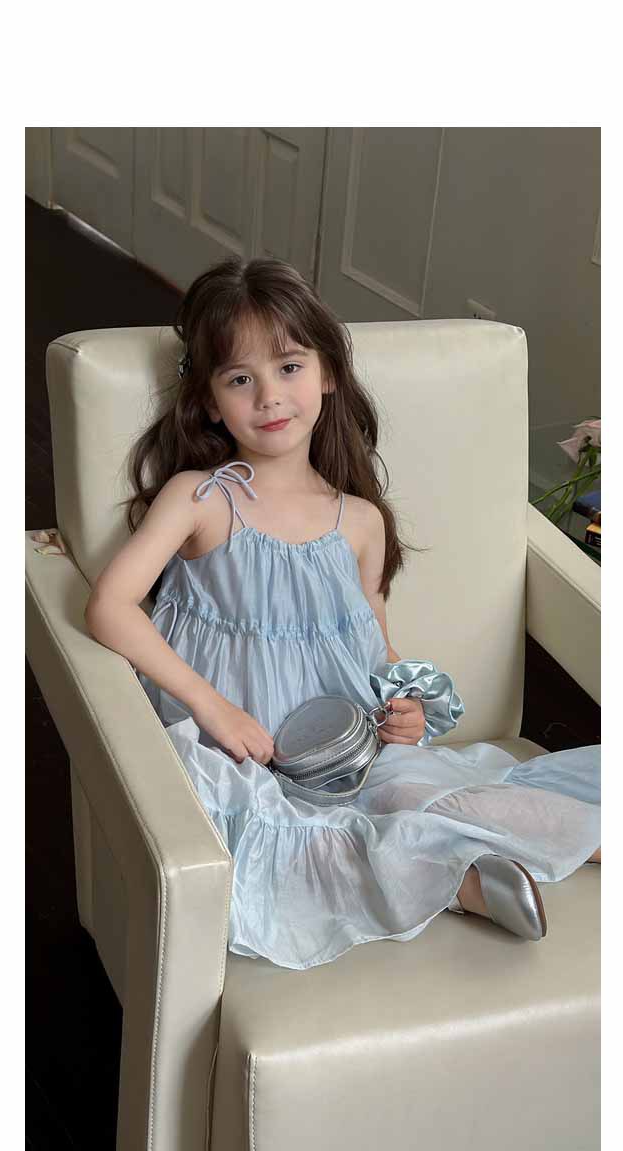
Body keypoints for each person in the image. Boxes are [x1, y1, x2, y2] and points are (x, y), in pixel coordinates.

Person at [85, 256, 601, 971]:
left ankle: (579, 835)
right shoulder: (201, 498)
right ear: (209, 401)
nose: (270, 395)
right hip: (241, 753)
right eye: (240, 379)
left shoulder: (359, 521)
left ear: (327, 372)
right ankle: (459, 881)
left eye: (289, 367)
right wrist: (212, 707)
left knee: (421, 789)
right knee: (275, 829)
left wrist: (403, 708)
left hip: (349, 752)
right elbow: (110, 607)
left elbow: (374, 648)